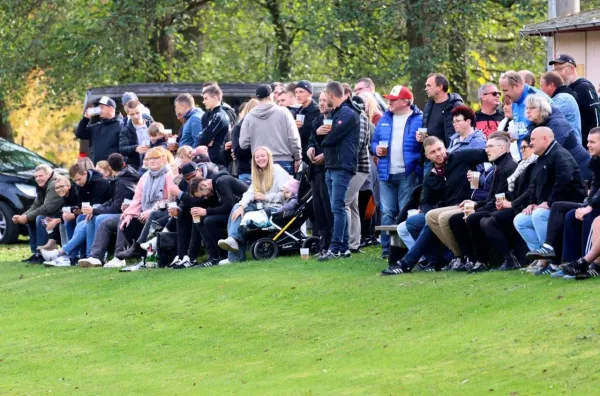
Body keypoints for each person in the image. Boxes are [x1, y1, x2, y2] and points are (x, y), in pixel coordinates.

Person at [382, 135, 483, 274]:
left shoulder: (461, 156)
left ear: (445, 147)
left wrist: (482, 177)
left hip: (467, 205)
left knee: (431, 219)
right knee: (413, 222)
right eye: (433, 152)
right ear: (427, 156)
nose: (438, 154)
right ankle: (432, 260)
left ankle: (407, 263)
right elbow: (425, 202)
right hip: (445, 210)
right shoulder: (431, 176)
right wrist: (430, 211)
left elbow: (490, 155)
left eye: (439, 149)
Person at [513, 127, 586, 273]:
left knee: (539, 214)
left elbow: (564, 183)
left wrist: (550, 202)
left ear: (545, 139)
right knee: (520, 220)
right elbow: (534, 184)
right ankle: (541, 259)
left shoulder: (560, 155)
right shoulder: (542, 157)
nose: (530, 143)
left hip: (568, 204)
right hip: (549, 205)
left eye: (533, 139)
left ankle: (554, 261)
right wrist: (533, 202)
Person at [527, 127, 600, 273]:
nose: (588, 145)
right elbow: (595, 187)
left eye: (592, 142)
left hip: (591, 204)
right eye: (587, 142)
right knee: (568, 213)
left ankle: (584, 265)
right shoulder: (596, 161)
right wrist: (588, 202)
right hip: (590, 202)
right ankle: (565, 262)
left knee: (586, 216)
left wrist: (589, 205)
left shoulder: (560, 155)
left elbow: (563, 182)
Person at [446, 132, 517, 272]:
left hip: (507, 209)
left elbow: (501, 199)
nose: (486, 150)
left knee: (473, 217)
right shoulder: (499, 165)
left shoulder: (508, 167)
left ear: (502, 148)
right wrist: (476, 204)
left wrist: (476, 209)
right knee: (455, 219)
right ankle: (471, 259)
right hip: (495, 205)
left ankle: (484, 260)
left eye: (490, 146)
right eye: (486, 147)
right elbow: (492, 198)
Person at [372, 85, 422, 259]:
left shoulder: (419, 119)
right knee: (387, 212)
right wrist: (376, 149)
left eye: (393, 100)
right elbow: (374, 142)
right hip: (386, 173)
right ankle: (387, 249)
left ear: (405, 101)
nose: (389, 102)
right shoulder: (384, 118)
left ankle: (403, 247)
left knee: (404, 211)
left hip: (407, 173)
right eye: (389, 99)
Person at [218, 147, 291, 262]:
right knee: (237, 208)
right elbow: (250, 192)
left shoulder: (277, 170)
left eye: (263, 156)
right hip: (260, 206)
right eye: (257, 157)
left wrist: (265, 197)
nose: (260, 159)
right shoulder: (257, 173)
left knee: (238, 214)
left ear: (268, 157)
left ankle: (234, 257)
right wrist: (242, 205)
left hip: (275, 208)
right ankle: (232, 239)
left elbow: (286, 195)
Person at [479, 136, 538, 270]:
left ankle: (512, 259)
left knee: (485, 220)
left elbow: (530, 190)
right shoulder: (522, 165)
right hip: (518, 205)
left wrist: (511, 203)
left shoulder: (528, 165)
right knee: (481, 219)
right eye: (520, 147)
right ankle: (480, 259)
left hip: (525, 206)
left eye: (524, 147)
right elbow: (509, 192)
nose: (521, 150)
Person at [318, 82, 361, 261]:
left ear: (330, 94)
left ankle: (336, 247)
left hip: (342, 165)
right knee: (337, 206)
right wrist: (319, 133)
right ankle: (343, 247)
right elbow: (325, 137)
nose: (322, 100)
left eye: (324, 96)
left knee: (338, 207)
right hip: (332, 165)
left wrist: (321, 136)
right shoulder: (335, 113)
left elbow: (332, 137)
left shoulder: (348, 113)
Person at [76, 153, 139, 267]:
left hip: (129, 214)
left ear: (109, 168)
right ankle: (92, 255)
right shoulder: (121, 178)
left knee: (99, 218)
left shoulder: (121, 181)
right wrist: (95, 209)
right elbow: (112, 201)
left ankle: (99, 255)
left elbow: (116, 207)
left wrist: (95, 211)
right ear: (124, 164)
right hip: (127, 212)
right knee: (92, 216)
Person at [116, 147, 177, 260]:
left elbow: (172, 199)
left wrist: (152, 210)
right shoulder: (145, 176)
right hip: (145, 211)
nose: (152, 161)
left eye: (155, 158)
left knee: (153, 216)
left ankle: (138, 247)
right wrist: (129, 215)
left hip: (165, 212)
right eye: (149, 158)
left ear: (163, 159)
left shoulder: (169, 174)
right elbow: (137, 199)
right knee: (126, 221)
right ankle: (141, 254)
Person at [178, 171, 249, 268]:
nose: (206, 198)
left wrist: (206, 211)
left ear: (204, 184)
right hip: (235, 213)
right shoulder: (215, 186)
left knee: (209, 221)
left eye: (203, 195)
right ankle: (214, 257)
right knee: (201, 219)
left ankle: (222, 256)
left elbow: (229, 206)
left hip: (245, 211)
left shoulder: (221, 182)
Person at [239, 84, 302, 175]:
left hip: (260, 164)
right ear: (270, 96)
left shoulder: (249, 117)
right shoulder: (284, 112)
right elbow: (293, 138)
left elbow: (243, 144)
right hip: (284, 162)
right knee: (284, 189)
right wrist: (298, 157)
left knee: (262, 189)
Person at [525, 94, 590, 180]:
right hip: (563, 167)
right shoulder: (535, 124)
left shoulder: (558, 124)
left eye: (532, 108)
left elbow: (550, 151)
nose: (528, 111)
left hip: (579, 165)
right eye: (527, 108)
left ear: (543, 109)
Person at [13, 165, 62, 262]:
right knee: (32, 219)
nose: (38, 179)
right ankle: (36, 253)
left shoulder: (53, 184)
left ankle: (43, 253)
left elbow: (48, 209)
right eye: (36, 177)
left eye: (41, 176)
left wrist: (27, 217)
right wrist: (23, 216)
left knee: (40, 218)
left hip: (60, 218)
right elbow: (36, 204)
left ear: (48, 174)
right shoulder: (43, 185)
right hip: (54, 216)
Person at [550, 54, 600, 145]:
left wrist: (593, 142)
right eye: (555, 70)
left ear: (571, 68)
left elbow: (595, 114)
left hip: (585, 144)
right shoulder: (563, 90)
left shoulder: (584, 87)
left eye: (560, 69)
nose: (557, 73)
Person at [307, 92, 334, 257]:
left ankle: (332, 245)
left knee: (330, 208)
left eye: (325, 100)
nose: (321, 103)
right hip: (315, 171)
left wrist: (325, 155)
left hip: (330, 169)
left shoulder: (337, 120)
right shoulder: (316, 121)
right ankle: (323, 245)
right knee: (319, 210)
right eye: (320, 100)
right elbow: (311, 140)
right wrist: (310, 147)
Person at [345, 95, 371, 254]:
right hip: (354, 167)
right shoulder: (358, 116)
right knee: (353, 206)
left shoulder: (360, 117)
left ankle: (345, 242)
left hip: (358, 167)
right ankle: (354, 244)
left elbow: (359, 144)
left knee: (343, 203)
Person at [499, 71, 549, 148]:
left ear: (516, 85)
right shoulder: (515, 100)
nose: (504, 94)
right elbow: (522, 130)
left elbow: (549, 130)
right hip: (524, 156)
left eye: (505, 90)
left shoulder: (536, 97)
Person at [75, 96, 122, 164]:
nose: (99, 110)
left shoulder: (120, 125)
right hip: (97, 167)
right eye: (99, 107)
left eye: (102, 107)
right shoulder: (96, 127)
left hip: (112, 168)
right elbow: (79, 133)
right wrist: (85, 119)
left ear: (111, 109)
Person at [422, 73, 464, 147]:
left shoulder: (456, 106)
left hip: (450, 154)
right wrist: (422, 137)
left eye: (429, 85)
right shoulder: (428, 106)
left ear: (440, 87)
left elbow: (464, 132)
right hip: (431, 154)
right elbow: (425, 133)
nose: (426, 89)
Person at [540, 71, 582, 143]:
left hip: (570, 149)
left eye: (542, 86)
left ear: (551, 85)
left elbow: (545, 116)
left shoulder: (563, 99)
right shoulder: (561, 97)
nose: (541, 90)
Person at [198, 85, 230, 165]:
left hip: (218, 161)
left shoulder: (219, 115)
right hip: (210, 158)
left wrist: (206, 139)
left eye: (206, 98)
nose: (203, 102)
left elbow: (204, 138)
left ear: (215, 98)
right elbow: (201, 139)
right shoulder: (207, 115)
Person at [227, 99, 257, 184]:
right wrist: (257, 149)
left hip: (262, 170)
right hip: (246, 170)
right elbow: (238, 152)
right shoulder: (238, 128)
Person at [119, 100, 153, 169]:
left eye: (137, 113)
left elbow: (161, 141)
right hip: (136, 167)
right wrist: (135, 148)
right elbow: (122, 149)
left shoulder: (151, 125)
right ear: (128, 114)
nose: (136, 116)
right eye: (132, 114)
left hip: (154, 163)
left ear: (142, 111)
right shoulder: (125, 130)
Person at [294, 80, 320, 164]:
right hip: (300, 156)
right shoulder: (298, 112)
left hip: (314, 156)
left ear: (310, 93)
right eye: (296, 92)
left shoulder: (317, 111)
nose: (298, 95)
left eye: (301, 91)